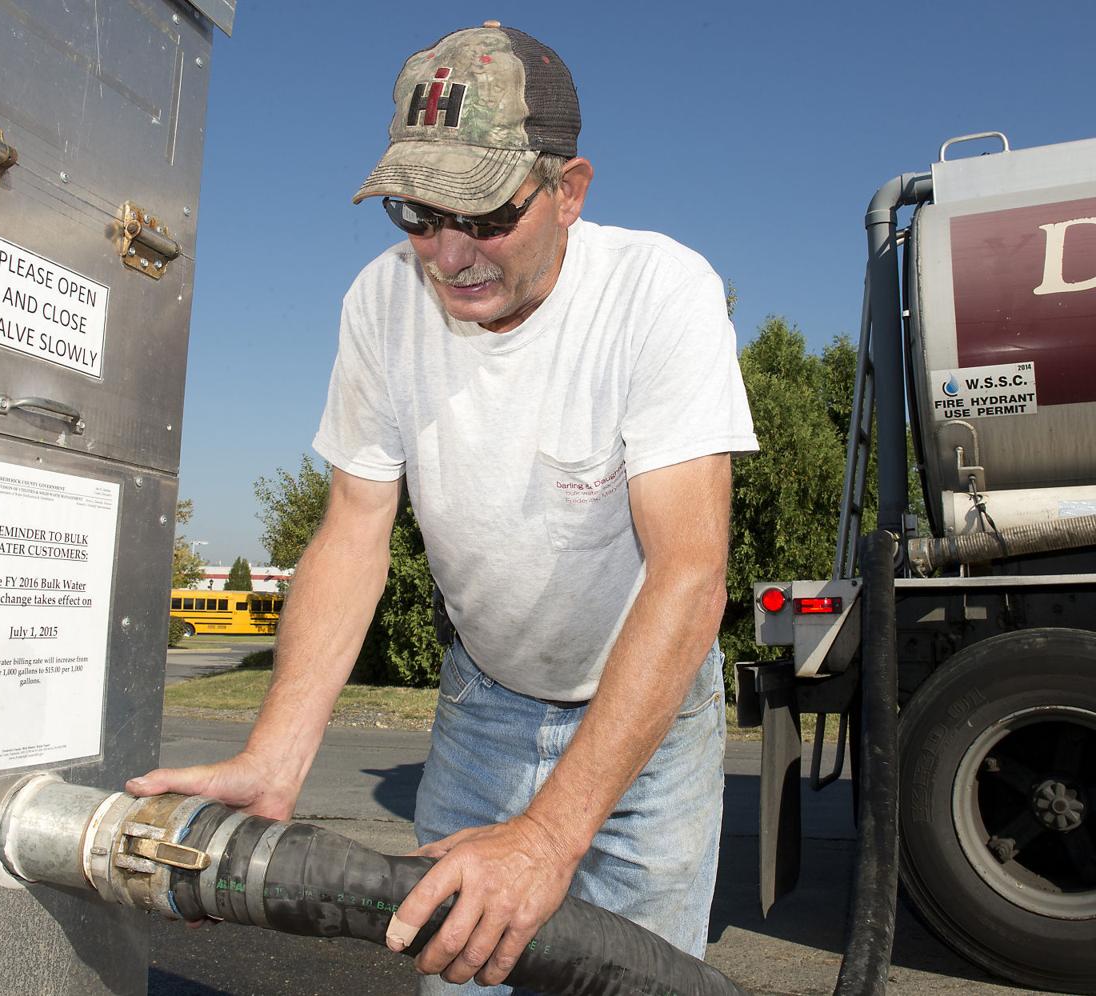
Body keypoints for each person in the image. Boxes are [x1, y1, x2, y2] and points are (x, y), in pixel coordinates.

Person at [128, 22, 757, 995]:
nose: (448, 253)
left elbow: (690, 571)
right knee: (462, 975)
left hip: (652, 724)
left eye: (485, 215)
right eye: (417, 213)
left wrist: (548, 838)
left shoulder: (660, 293)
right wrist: (276, 755)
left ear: (569, 190)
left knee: (642, 979)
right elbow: (352, 532)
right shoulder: (381, 304)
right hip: (486, 706)